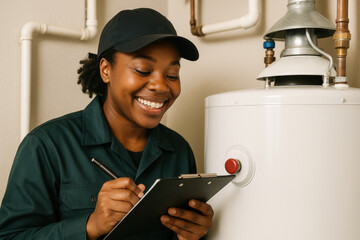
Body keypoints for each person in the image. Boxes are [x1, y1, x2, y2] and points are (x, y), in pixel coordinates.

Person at [0, 8, 213, 240]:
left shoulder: (179, 150)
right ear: (105, 70)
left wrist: (192, 234)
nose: (161, 86)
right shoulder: (46, 146)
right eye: (143, 70)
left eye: (172, 74)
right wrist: (91, 225)